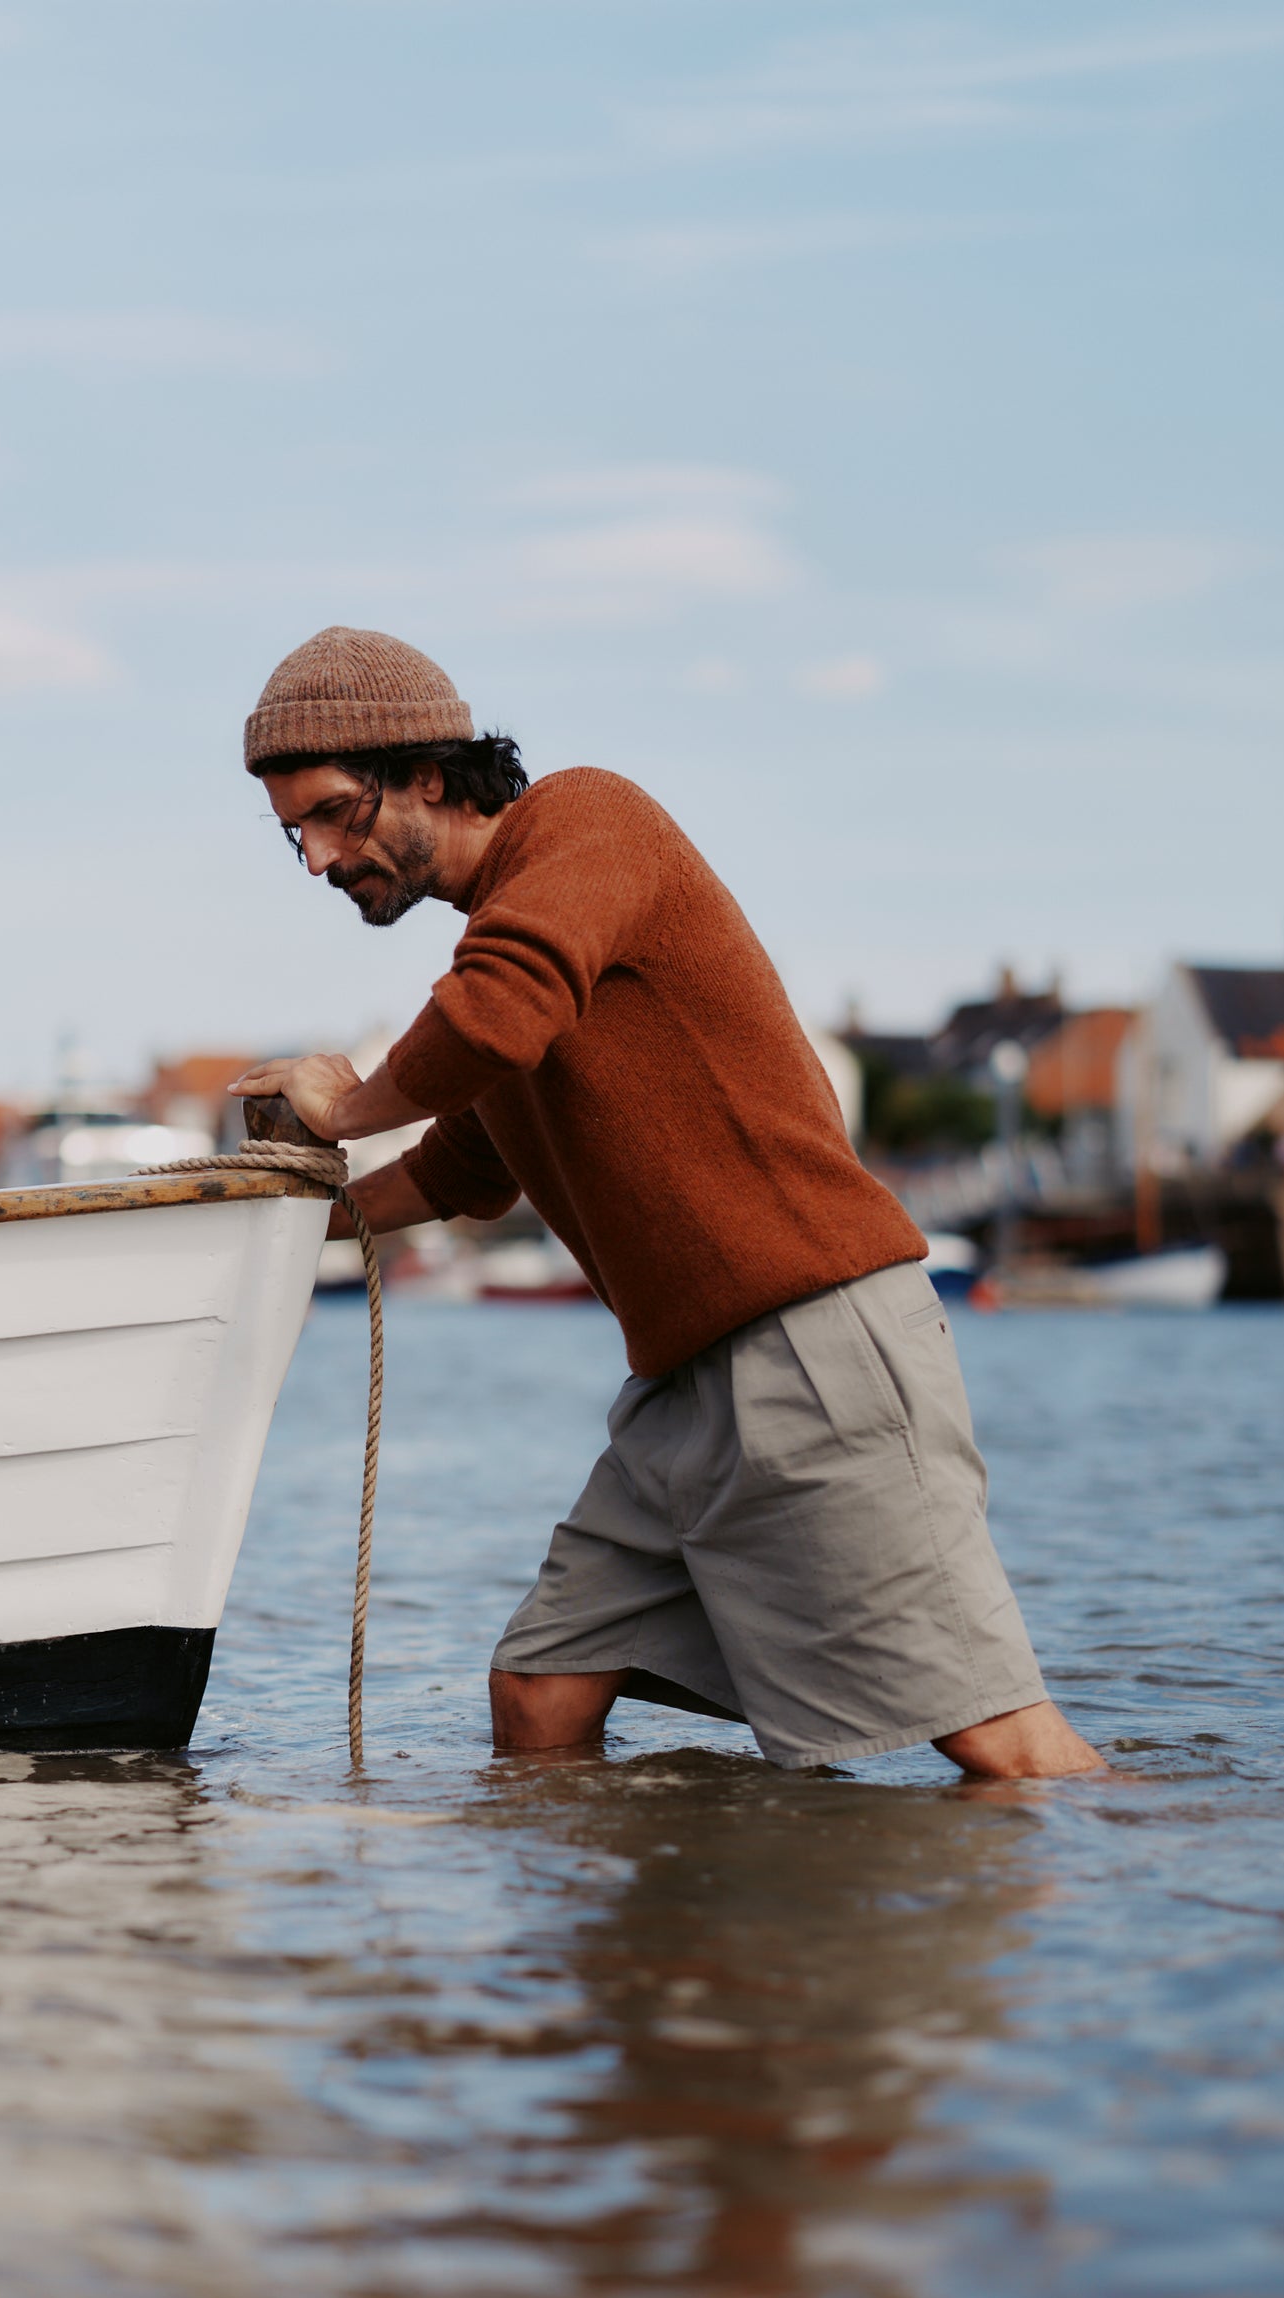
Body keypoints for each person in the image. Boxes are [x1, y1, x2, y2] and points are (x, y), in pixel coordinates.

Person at [230, 627, 1101, 1780]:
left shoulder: (586, 825)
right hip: (680, 1396)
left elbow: (490, 1017)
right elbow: (463, 1168)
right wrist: (280, 1215)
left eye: (334, 815)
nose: (316, 859)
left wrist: (342, 1108)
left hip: (814, 1347)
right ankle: (667, 1904)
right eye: (293, 832)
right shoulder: (516, 935)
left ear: (427, 775)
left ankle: (1172, 1877)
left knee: (1000, 1743)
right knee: (540, 1691)